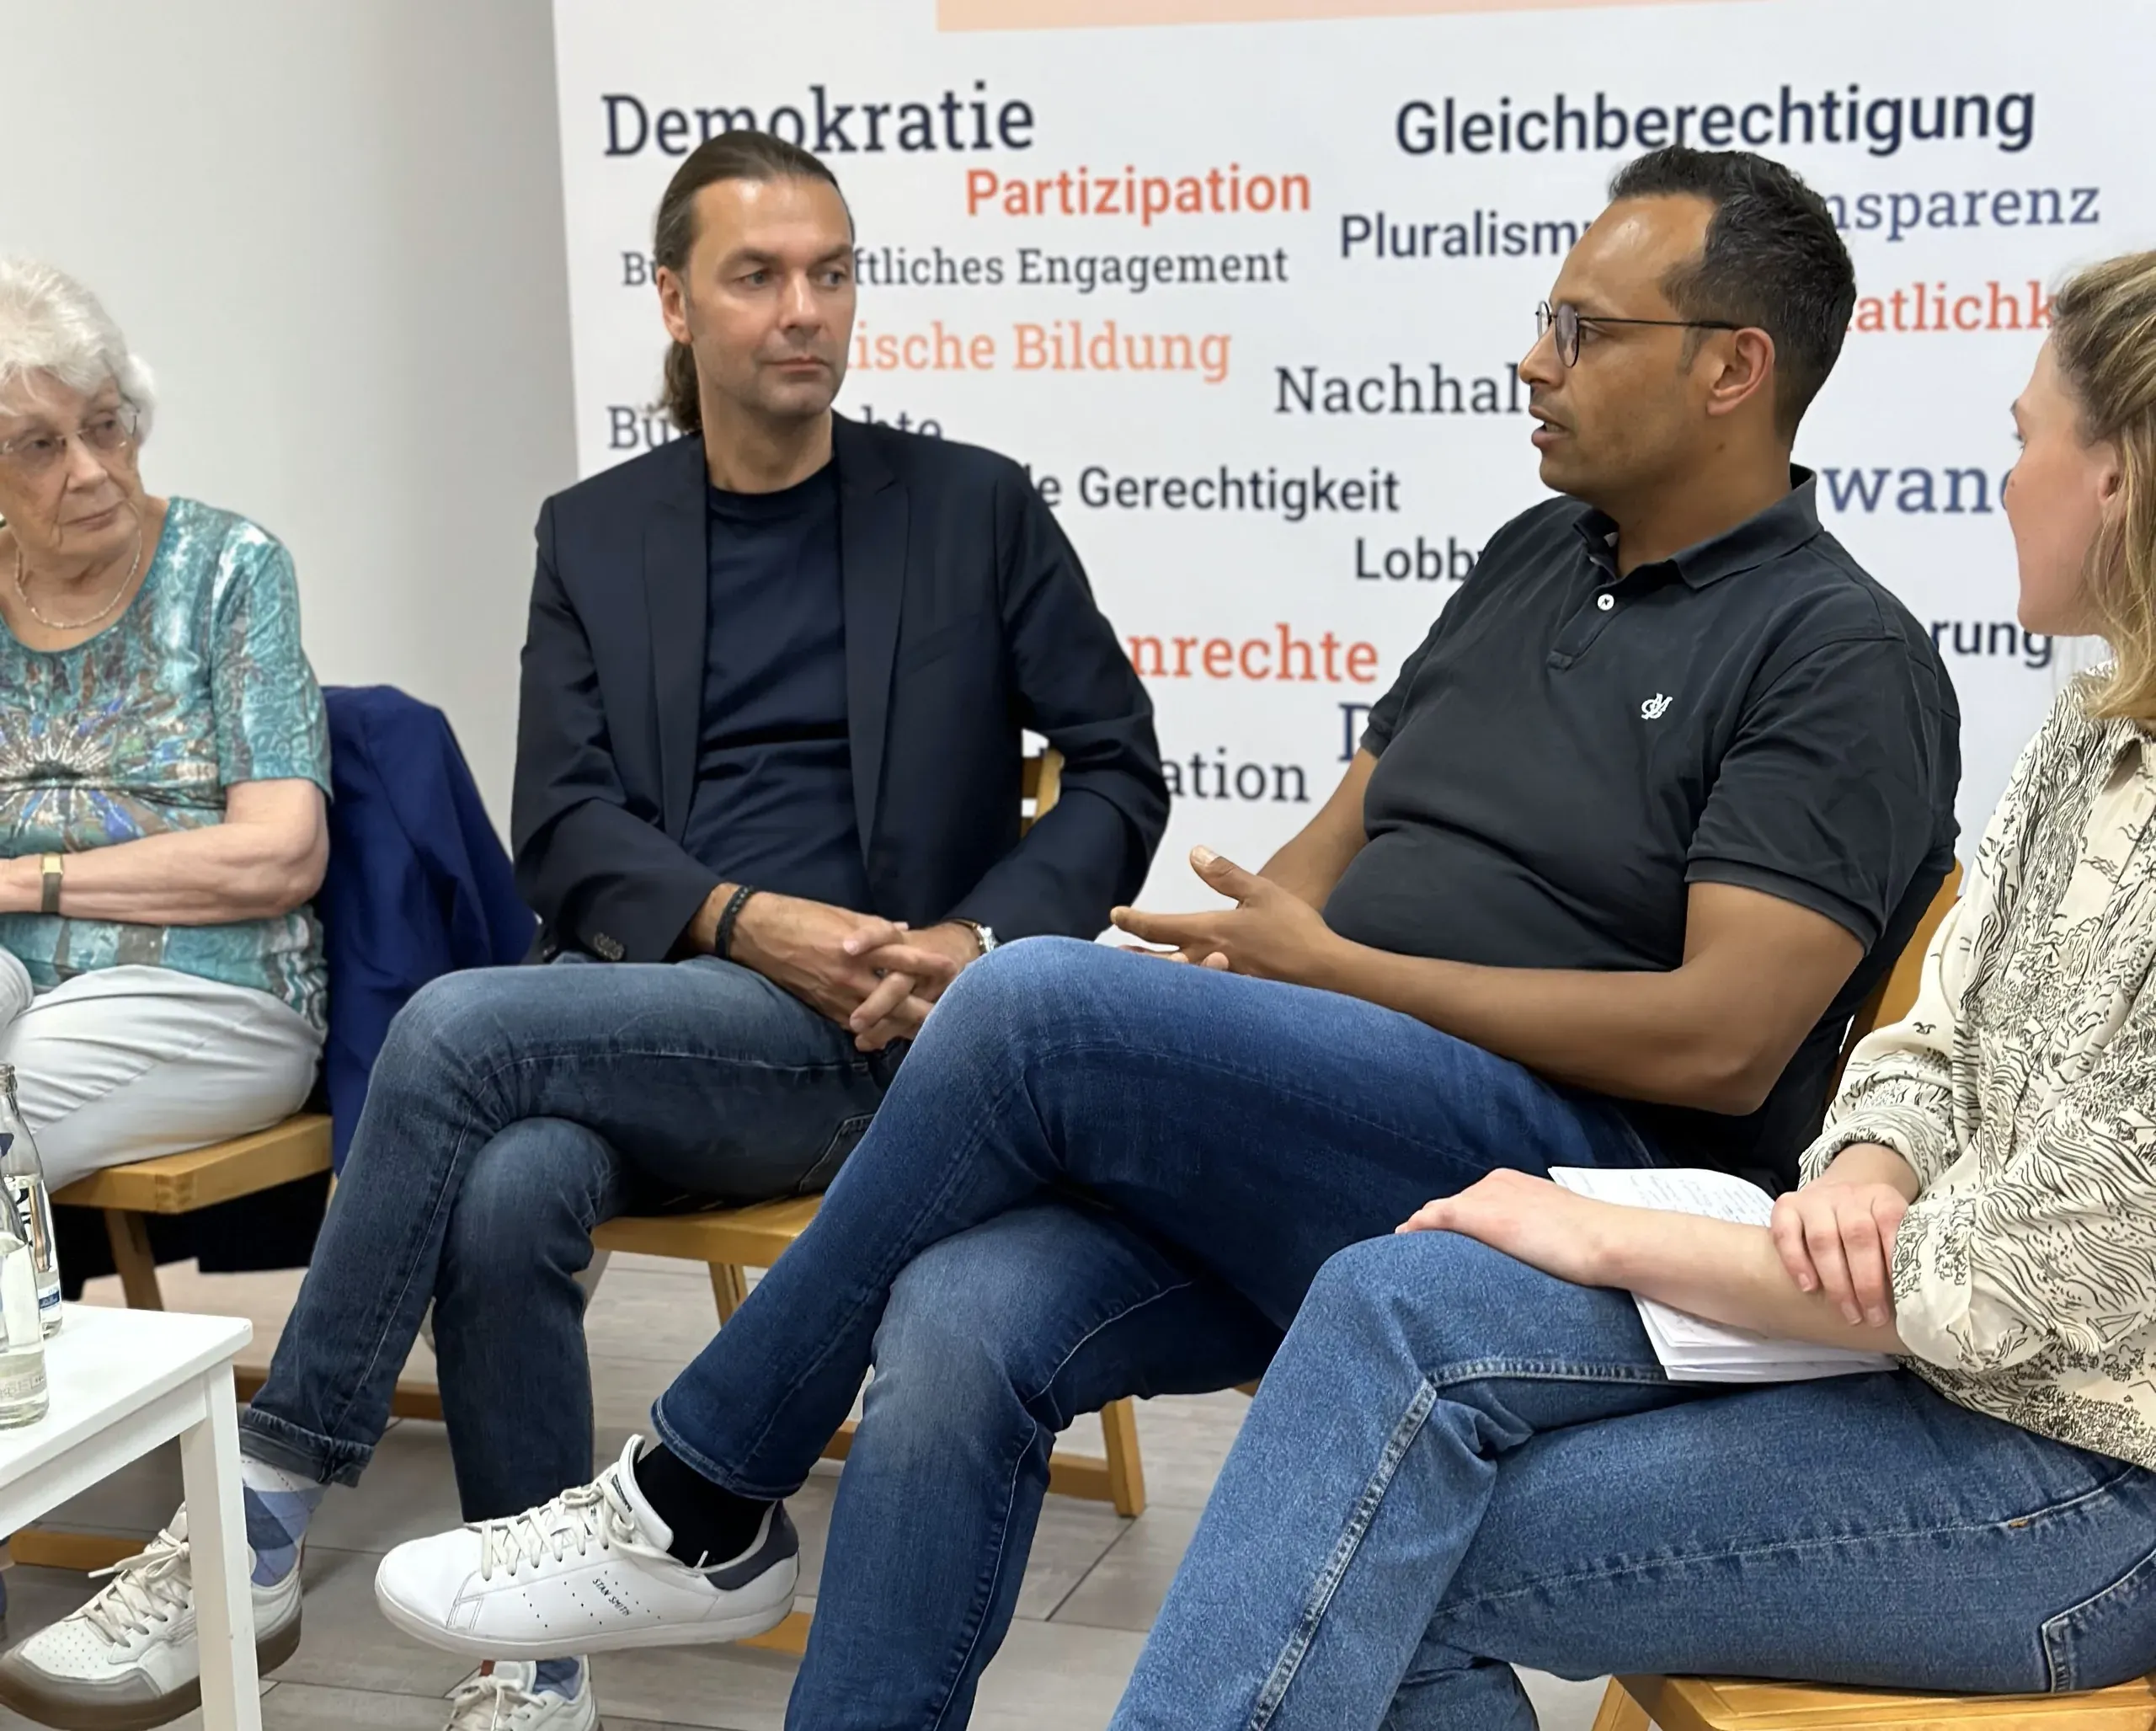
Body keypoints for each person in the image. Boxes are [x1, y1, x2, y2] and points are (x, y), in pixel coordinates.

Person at [372, 147, 1962, 1729]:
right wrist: (1228, 991)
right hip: (1348, 1121)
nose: (1532, 360)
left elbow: (1723, 1038)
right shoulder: (1536, 556)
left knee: (1032, 1003)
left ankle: (695, 1497)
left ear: (1733, 372)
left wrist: (1331, 979)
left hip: (1580, 1188)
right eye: (1545, 318)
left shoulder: (1838, 654)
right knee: (958, 1317)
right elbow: (1335, 852)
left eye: (1584, 330)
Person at [0, 133, 1164, 1731]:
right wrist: (742, 919)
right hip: (657, 1013)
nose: (804, 309)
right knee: (502, 1184)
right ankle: (540, 1650)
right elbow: (563, 823)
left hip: (880, 1036)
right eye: (758, 276)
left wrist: (971, 943)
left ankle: (264, 1508)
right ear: (677, 302)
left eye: (831, 272)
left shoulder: (971, 512)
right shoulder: (598, 532)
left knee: (455, 1030)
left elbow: (1116, 771)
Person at [1091, 247, 2156, 1728]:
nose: (2007, 477)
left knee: (1373, 1547)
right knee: (1389, 1313)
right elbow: (1929, 1037)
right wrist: (1873, 1155)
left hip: (2093, 1494)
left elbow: (1990, 1288)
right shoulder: (2088, 738)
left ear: (2119, 482)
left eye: (2029, 437)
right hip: (1917, 1351)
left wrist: (1603, 1231)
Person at [0, 259, 326, 1195]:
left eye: (107, 424)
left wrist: (23, 881)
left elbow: (278, 856)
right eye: (39, 446)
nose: (93, 469)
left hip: (206, 990)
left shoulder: (229, 570)